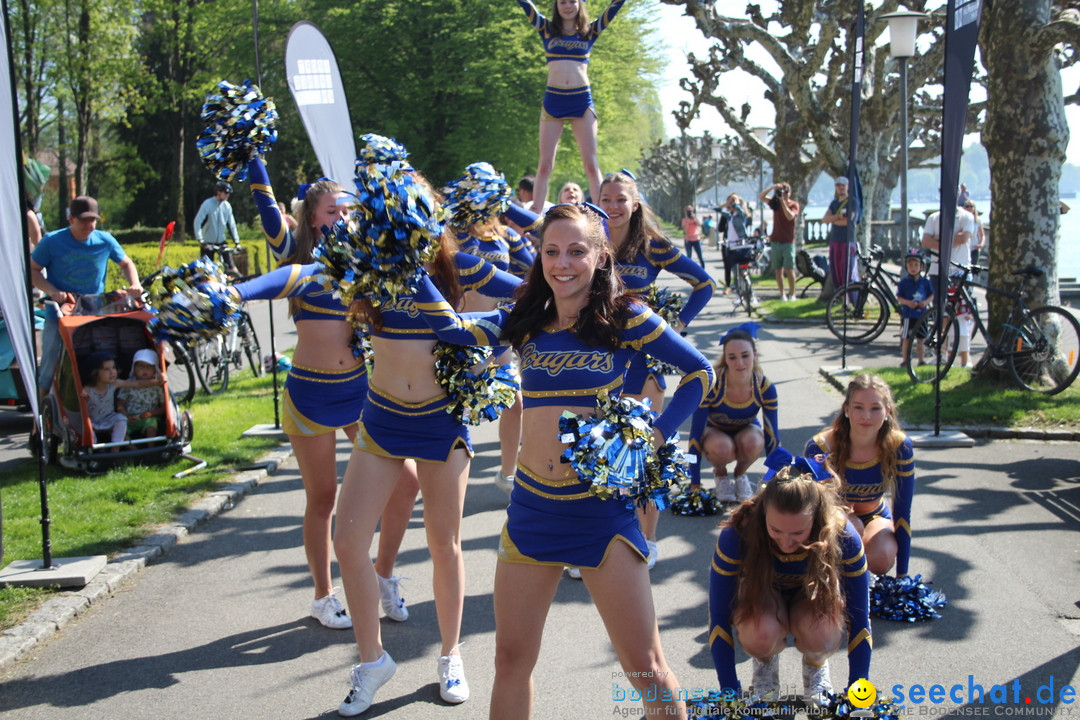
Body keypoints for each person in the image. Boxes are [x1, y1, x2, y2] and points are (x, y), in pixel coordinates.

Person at [410, 202, 713, 720]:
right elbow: (457, 330)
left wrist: (653, 437)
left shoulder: (626, 317)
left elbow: (700, 373)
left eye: (577, 250)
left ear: (600, 256)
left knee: (645, 666)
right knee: (510, 660)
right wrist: (407, 269)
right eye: (551, 251)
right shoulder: (525, 317)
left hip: (601, 513)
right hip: (533, 510)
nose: (562, 263)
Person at [330, 141, 522, 716]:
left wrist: (529, 310)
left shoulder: (452, 262)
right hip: (383, 418)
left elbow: (525, 292)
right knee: (347, 541)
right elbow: (297, 270)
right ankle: (372, 661)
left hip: (442, 421)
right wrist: (235, 291)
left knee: (445, 544)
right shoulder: (367, 269)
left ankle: (450, 654)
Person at [238, 156, 419, 632]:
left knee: (408, 482)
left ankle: (383, 573)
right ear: (313, 217)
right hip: (311, 394)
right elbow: (266, 208)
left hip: (361, 392)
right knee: (322, 498)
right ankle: (323, 595)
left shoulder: (364, 258)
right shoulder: (295, 256)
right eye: (332, 212)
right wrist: (255, 156)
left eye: (346, 212)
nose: (342, 219)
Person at [598, 170, 716, 569]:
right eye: (606, 198)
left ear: (635, 204)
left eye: (620, 199)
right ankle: (595, 538)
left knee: (644, 454)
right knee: (599, 451)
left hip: (644, 367)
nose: (613, 206)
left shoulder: (651, 245)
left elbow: (704, 284)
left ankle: (647, 540)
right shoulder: (589, 241)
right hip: (599, 362)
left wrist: (677, 326)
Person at [709, 459, 870, 701]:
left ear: (816, 518)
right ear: (763, 513)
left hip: (813, 597)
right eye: (775, 530)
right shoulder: (738, 533)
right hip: (764, 597)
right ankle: (764, 666)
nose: (785, 542)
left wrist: (860, 696)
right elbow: (719, 617)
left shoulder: (842, 534)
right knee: (759, 634)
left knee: (823, 635)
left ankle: (816, 666)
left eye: (797, 533)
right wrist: (729, 694)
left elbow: (860, 619)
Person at [515, 0, 628, 210]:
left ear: (580, 4)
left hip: (581, 100)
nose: (568, 6)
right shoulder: (546, 29)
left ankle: (603, 215)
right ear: (556, 5)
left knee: (591, 165)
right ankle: (535, 216)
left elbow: (612, 9)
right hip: (554, 100)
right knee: (545, 164)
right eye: (562, 1)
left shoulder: (589, 31)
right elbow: (527, 7)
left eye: (572, 1)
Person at [805, 373, 915, 578]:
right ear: (846, 410)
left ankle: (864, 580)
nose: (866, 416)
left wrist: (903, 576)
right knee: (850, 530)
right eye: (858, 407)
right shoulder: (821, 447)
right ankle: (840, 579)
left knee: (881, 558)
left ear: (887, 411)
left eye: (875, 409)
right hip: (833, 517)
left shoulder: (899, 446)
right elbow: (811, 507)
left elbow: (902, 512)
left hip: (875, 514)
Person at [30, 196, 143, 394]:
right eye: (83, 220)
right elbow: (32, 270)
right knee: (50, 359)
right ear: (71, 219)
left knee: (99, 360)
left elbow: (126, 263)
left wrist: (135, 284)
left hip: (94, 312)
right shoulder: (52, 241)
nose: (88, 225)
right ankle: (40, 410)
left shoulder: (105, 240)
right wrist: (52, 292)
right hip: (59, 314)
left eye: (92, 220)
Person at [687, 324, 779, 504]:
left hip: (748, 433)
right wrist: (695, 482)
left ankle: (740, 475)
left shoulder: (764, 387)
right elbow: (695, 435)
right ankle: (721, 475)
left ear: (755, 355)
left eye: (745, 356)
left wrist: (775, 479)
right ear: (725, 359)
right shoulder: (713, 383)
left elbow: (773, 436)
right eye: (732, 357)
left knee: (754, 441)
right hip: (715, 434)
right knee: (722, 447)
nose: (740, 363)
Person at [921, 205, 976, 367]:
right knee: (941, 314)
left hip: (959, 271)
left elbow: (963, 238)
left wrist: (938, 240)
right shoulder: (934, 218)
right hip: (938, 270)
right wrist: (951, 239)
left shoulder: (966, 216)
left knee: (963, 314)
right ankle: (942, 353)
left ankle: (965, 357)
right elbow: (925, 241)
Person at [79, 351, 162, 446]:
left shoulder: (114, 384)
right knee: (88, 430)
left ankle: (115, 450)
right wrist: (84, 392)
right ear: (95, 372)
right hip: (92, 422)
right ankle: (94, 451)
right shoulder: (88, 389)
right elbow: (83, 395)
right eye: (106, 369)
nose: (112, 372)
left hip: (109, 419)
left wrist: (158, 382)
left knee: (121, 420)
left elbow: (137, 384)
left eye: (114, 368)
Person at [759, 182, 800, 301]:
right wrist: (773, 187)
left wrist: (783, 202)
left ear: (790, 193)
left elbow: (790, 216)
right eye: (782, 191)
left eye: (786, 191)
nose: (784, 194)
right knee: (778, 270)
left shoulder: (793, 204)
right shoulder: (775, 203)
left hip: (788, 241)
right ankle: (782, 294)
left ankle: (792, 294)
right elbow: (761, 197)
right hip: (776, 240)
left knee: (789, 269)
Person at [896, 250, 934, 368]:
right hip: (909, 314)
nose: (913, 268)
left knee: (921, 339)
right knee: (906, 338)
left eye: (916, 265)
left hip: (921, 314)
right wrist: (907, 303)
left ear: (921, 266)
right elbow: (899, 297)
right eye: (910, 265)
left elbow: (931, 295)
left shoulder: (925, 282)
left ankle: (921, 360)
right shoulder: (904, 282)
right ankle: (905, 360)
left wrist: (926, 302)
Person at [822, 176, 860, 293]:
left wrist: (833, 219)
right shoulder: (834, 203)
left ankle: (852, 300)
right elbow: (824, 219)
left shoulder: (852, 202)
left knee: (847, 273)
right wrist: (838, 217)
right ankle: (843, 301)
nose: (841, 188)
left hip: (847, 241)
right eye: (838, 185)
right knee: (836, 273)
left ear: (847, 187)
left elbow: (848, 222)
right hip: (835, 240)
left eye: (843, 185)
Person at [117, 348, 167, 438]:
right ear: (134, 368)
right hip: (130, 417)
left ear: (155, 370)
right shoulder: (128, 384)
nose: (145, 370)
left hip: (149, 416)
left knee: (151, 424)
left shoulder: (158, 387)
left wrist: (151, 413)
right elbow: (120, 404)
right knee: (120, 428)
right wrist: (126, 416)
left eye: (149, 366)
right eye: (141, 366)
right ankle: (132, 449)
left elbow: (164, 408)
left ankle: (151, 447)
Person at [194, 180, 241, 272]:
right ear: (218, 192)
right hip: (208, 242)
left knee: (232, 268)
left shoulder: (227, 206)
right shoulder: (208, 204)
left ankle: (237, 281)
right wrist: (201, 240)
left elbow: (232, 225)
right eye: (225, 192)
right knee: (207, 270)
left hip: (221, 241)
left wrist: (237, 242)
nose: (227, 195)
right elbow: (198, 221)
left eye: (229, 193)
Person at [720, 193, 751, 293]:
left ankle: (749, 294)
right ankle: (739, 293)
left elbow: (740, 209)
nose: (731, 205)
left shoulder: (740, 215)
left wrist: (736, 202)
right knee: (735, 272)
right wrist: (726, 204)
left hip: (741, 246)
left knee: (743, 273)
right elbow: (717, 209)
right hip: (731, 245)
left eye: (732, 203)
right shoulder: (730, 216)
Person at [964, 200, 986, 268]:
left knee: (973, 269)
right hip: (964, 249)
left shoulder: (977, 220)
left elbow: (982, 235)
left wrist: (981, 244)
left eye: (971, 206)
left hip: (974, 248)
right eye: (967, 206)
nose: (969, 208)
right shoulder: (962, 220)